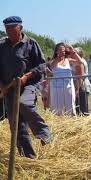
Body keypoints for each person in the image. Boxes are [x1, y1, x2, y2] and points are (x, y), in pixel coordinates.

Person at [0, 16, 52, 159]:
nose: (9, 31)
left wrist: (27, 76)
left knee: (23, 103)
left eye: (12, 28)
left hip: (29, 85)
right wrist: (2, 86)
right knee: (16, 126)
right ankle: (28, 157)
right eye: (7, 28)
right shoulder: (1, 45)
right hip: (9, 89)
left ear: (20, 28)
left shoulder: (30, 43)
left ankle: (44, 132)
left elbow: (42, 65)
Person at [47, 43, 83, 116]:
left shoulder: (68, 60)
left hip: (69, 87)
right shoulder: (52, 62)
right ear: (56, 51)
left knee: (71, 108)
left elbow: (80, 62)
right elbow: (49, 69)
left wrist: (73, 51)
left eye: (63, 50)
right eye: (60, 50)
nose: (62, 52)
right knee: (58, 109)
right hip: (57, 89)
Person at [74, 47, 91, 116]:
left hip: (82, 86)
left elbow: (81, 77)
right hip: (80, 86)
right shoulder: (77, 61)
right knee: (80, 106)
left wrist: (77, 89)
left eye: (75, 53)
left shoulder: (81, 62)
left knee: (83, 107)